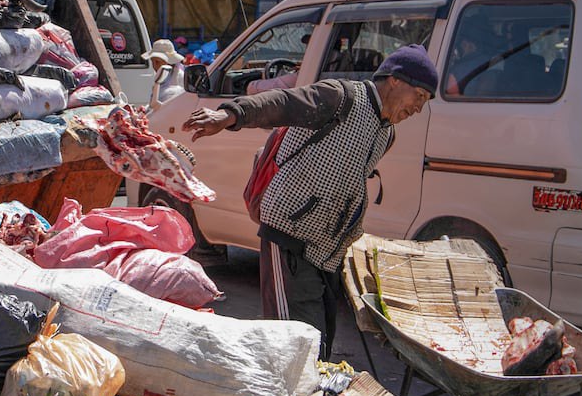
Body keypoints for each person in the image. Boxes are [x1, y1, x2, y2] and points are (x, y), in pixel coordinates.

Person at [182, 44, 438, 359]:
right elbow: (282, 103)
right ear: (396, 80)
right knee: (293, 344)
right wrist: (229, 114)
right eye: (420, 97)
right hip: (289, 235)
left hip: (327, 253)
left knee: (320, 344)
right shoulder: (341, 97)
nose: (418, 109)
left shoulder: (386, 133)